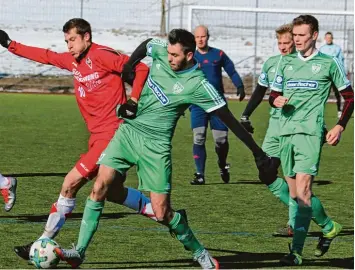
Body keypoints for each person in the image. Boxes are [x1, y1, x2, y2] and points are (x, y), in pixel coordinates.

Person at [54, 29, 277, 269]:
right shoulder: (161, 50)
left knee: (161, 212)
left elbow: (229, 120)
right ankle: (79, 252)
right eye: (168, 53)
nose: (169, 58)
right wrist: (130, 66)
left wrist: (257, 153)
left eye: (175, 55)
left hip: (156, 146)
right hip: (128, 133)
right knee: (100, 187)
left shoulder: (199, 85)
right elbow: (148, 43)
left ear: (190, 55)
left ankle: (200, 252)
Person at [0, 18, 163, 261]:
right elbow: (45, 55)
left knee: (70, 184)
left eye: (73, 40)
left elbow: (140, 68)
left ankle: (42, 240)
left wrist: (134, 100)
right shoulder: (73, 61)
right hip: (97, 137)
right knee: (115, 192)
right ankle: (169, 216)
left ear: (87, 36)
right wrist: (10, 44)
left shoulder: (103, 55)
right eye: (66, 41)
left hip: (112, 135)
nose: (69, 46)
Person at [241, 23, 340, 242]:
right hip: (275, 128)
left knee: (297, 181)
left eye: (288, 42)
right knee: (266, 172)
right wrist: (246, 114)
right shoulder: (272, 64)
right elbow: (260, 92)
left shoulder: (306, 63)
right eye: (281, 42)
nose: (285, 46)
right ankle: (312, 215)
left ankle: (296, 224)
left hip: (299, 129)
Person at [269, 15, 353, 266]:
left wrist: (340, 126)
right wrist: (276, 99)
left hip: (309, 134)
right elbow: (274, 92)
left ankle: (295, 252)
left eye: (302, 36)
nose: (297, 40)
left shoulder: (328, 63)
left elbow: (350, 97)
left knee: (304, 192)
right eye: (294, 36)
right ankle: (329, 226)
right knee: (295, 195)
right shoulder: (285, 63)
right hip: (285, 132)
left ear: (314, 35)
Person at [190, 25, 245, 185]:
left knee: (221, 140)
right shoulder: (189, 56)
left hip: (218, 104)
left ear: (208, 37)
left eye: (203, 36)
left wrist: (239, 85)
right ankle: (200, 174)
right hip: (198, 104)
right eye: (197, 37)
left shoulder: (218, 54)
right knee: (199, 137)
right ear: (194, 39)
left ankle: (222, 164)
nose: (200, 40)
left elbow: (232, 71)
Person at [319, 32, 346, 118]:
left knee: (337, 93)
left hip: (334, 75)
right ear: (325, 38)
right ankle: (320, 111)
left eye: (330, 37)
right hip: (325, 76)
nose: (328, 39)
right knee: (322, 94)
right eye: (327, 38)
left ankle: (339, 110)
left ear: (332, 38)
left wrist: (342, 72)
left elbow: (341, 61)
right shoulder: (322, 49)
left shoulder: (337, 48)